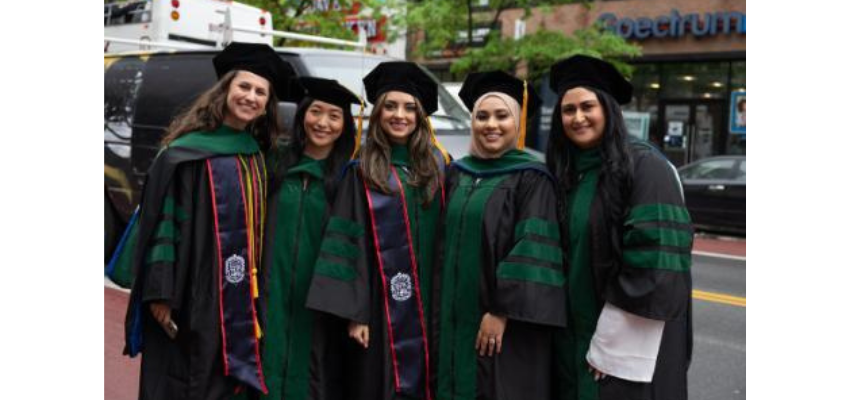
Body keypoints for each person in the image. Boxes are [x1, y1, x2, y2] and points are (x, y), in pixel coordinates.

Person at [545, 55, 693, 400]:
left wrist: (615, 343)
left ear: (608, 109)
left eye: (587, 106)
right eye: (568, 110)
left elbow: (656, 267)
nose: (577, 118)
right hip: (573, 339)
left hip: (624, 346)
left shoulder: (645, 167)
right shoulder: (566, 174)